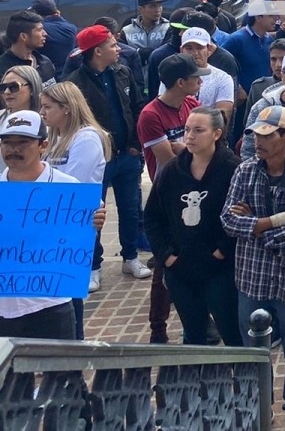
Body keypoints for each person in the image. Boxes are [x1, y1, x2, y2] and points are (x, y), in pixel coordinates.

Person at [222, 104, 285, 431]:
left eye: (267, 135)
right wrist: (272, 221)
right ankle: (257, 411)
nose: (259, 141)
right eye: (255, 134)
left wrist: (254, 227)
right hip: (252, 278)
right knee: (254, 355)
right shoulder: (244, 170)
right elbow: (227, 220)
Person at [143, 106, 241, 347]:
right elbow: (153, 217)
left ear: (216, 134)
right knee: (195, 335)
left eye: (198, 130)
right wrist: (167, 257)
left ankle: (243, 382)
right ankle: (200, 382)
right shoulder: (171, 171)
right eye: (187, 130)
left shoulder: (233, 168)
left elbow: (242, 216)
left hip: (220, 268)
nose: (190, 136)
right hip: (180, 268)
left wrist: (221, 251)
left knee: (232, 332)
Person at [66, 23, 148, 282]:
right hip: (96, 160)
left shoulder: (122, 72)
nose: (118, 49)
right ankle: (93, 266)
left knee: (131, 208)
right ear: (97, 51)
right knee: (94, 212)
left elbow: (137, 107)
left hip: (127, 154)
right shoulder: (74, 84)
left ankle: (131, 257)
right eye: (112, 45)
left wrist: (136, 143)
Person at [0, 110, 85, 339]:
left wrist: (93, 224)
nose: (13, 149)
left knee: (63, 374)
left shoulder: (68, 188)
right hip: (3, 311)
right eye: (7, 142)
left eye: (23, 142)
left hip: (50, 306)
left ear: (43, 145)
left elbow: (75, 247)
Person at [137, 52, 202, 343]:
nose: (200, 81)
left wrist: (180, 145)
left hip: (198, 190)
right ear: (180, 81)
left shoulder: (192, 104)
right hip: (167, 196)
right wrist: (189, 147)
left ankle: (199, 321)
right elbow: (167, 158)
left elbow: (210, 142)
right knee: (165, 261)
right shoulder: (151, 115)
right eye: (195, 77)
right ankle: (158, 329)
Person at [40, 79, 110, 335]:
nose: (42, 113)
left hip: (74, 227)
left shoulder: (87, 138)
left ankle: (74, 352)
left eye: (48, 107)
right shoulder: (55, 138)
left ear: (67, 107)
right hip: (51, 224)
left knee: (69, 301)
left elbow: (72, 187)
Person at [177, 27, 235, 124]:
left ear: (209, 49)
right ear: (181, 50)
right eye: (189, 48)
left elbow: (222, 116)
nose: (195, 53)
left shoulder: (223, 78)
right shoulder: (172, 74)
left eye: (200, 47)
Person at [0, 9, 57, 83]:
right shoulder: (3, 68)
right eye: (40, 30)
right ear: (24, 36)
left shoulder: (45, 62)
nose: (45, 33)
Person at [29, 0, 77, 77]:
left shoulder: (39, 31)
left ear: (36, 14)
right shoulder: (72, 28)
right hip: (69, 76)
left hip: (49, 77)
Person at [122, 0, 171, 68]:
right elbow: (122, 55)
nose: (157, 10)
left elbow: (167, 54)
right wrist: (139, 53)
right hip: (135, 77)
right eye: (152, 6)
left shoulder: (168, 28)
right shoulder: (126, 31)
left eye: (159, 5)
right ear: (141, 9)